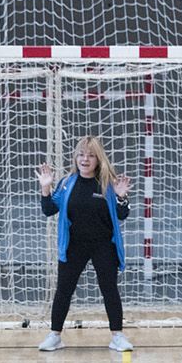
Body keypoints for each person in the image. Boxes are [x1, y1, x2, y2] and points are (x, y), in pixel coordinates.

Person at [36, 136, 133, 352]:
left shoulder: (108, 183)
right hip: (74, 246)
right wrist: (45, 189)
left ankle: (117, 336)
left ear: (98, 159)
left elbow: (122, 214)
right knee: (63, 290)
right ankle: (55, 335)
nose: (85, 159)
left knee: (109, 289)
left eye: (90, 155)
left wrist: (121, 197)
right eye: (81, 154)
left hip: (103, 245)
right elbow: (49, 209)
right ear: (76, 158)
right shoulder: (66, 183)